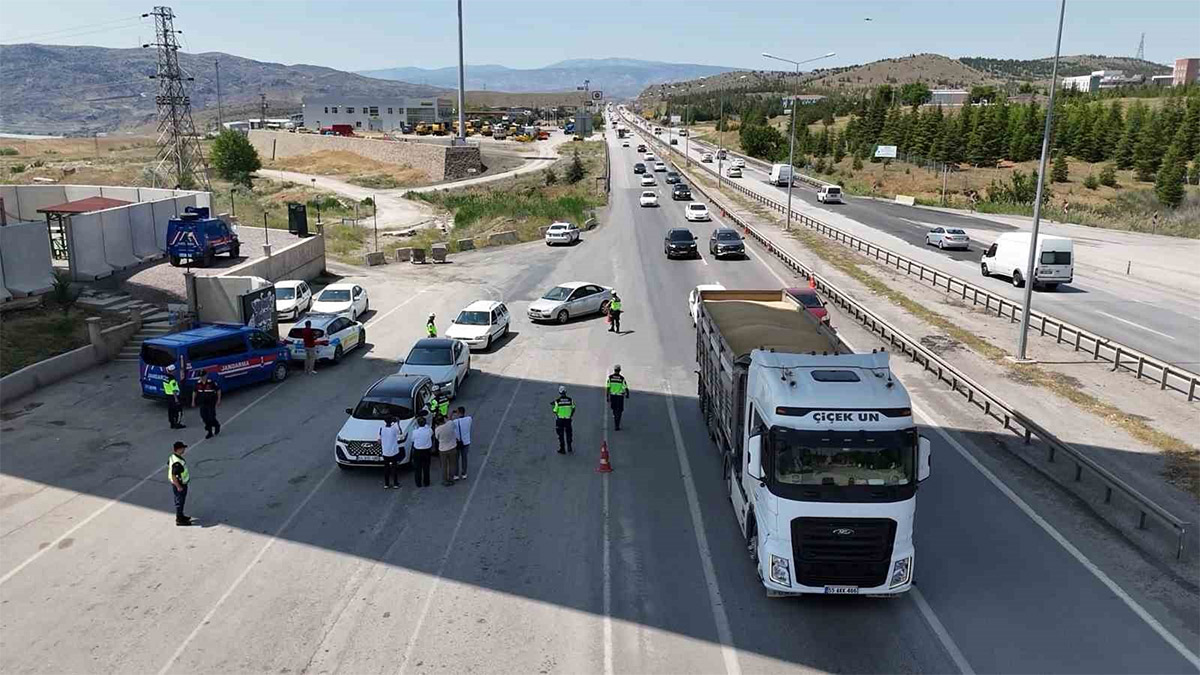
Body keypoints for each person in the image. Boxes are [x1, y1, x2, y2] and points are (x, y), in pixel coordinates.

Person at [168, 441, 192, 526]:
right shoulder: (177, 462)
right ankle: (179, 519)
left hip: (178, 483)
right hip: (180, 484)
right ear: (178, 449)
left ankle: (181, 516)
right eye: (183, 448)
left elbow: (169, 465)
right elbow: (174, 475)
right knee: (180, 501)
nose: (184, 449)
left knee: (180, 500)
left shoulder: (172, 457)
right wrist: (178, 486)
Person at [192, 371, 222, 438]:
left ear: (206, 375)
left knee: (211, 416)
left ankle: (216, 425)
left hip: (211, 402)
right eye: (200, 376)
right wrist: (193, 401)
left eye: (203, 376)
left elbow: (218, 390)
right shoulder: (198, 383)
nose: (202, 378)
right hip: (202, 402)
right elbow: (194, 392)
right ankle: (210, 431)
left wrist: (219, 400)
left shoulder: (211, 382)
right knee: (204, 417)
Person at [435, 413, 459, 486]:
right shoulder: (450, 424)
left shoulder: (438, 429)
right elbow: (453, 424)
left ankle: (445, 480)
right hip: (452, 447)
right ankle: (451, 479)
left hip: (443, 449)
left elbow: (437, 438)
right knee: (452, 464)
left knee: (444, 466)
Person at [410, 416, 434, 488]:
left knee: (418, 468)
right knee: (426, 467)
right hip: (427, 451)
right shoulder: (429, 430)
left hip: (418, 451)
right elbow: (431, 433)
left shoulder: (415, 432)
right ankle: (426, 482)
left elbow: (412, 440)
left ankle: (418, 483)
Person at [552, 385, 576, 454]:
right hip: (568, 419)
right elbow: (573, 408)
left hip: (560, 420)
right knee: (569, 433)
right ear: (566, 392)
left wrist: (554, 405)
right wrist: (571, 415)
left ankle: (562, 449)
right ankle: (569, 446)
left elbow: (555, 411)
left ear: (559, 393)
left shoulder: (558, 401)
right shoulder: (570, 400)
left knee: (560, 434)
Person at [380, 416, 402, 489]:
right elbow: (400, 432)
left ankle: (386, 484)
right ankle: (395, 483)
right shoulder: (394, 429)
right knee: (394, 468)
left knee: (386, 468)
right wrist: (398, 423)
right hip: (393, 452)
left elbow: (379, 439)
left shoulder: (382, 429)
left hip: (385, 452)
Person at [607, 365, 630, 430]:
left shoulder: (610, 377)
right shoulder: (622, 378)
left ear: (614, 370)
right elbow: (626, 387)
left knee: (614, 409)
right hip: (620, 396)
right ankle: (617, 424)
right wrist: (627, 394)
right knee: (619, 410)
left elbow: (608, 387)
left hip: (613, 395)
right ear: (620, 370)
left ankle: (615, 417)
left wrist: (607, 396)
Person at [454, 406, 473, 479]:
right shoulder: (469, 419)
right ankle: (464, 473)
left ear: (458, 412)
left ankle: (456, 474)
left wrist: (452, 414)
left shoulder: (455, 422)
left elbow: (449, 423)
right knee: (464, 458)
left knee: (456, 459)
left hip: (457, 442)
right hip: (466, 442)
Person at [164, 365, 185, 430]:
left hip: (168, 396)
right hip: (173, 396)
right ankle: (177, 424)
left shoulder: (165, 378)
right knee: (178, 411)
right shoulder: (172, 379)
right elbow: (174, 390)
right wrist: (176, 399)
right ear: (172, 371)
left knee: (170, 410)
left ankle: (172, 423)